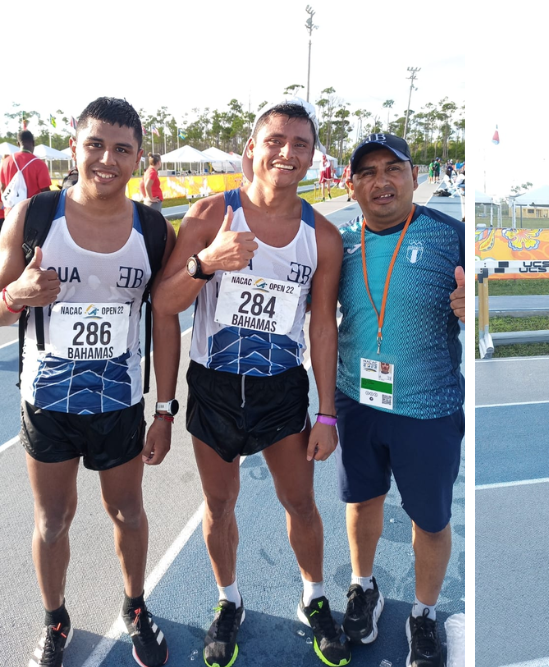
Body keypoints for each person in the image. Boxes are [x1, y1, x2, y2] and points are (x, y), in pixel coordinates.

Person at [151, 98, 350, 667]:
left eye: (301, 145)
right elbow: (165, 304)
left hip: (280, 389)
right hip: (213, 384)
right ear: (252, 149)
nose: (287, 153)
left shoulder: (324, 239)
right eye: (276, 141)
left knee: (300, 503)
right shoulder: (211, 216)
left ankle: (314, 596)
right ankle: (228, 599)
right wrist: (205, 263)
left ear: (313, 158)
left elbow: (322, 330)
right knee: (219, 502)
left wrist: (327, 413)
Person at [0, 97, 179, 667]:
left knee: (127, 512)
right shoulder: (33, 217)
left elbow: (167, 318)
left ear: (138, 158)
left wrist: (166, 409)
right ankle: (55, 620)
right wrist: (13, 298)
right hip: (46, 402)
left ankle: (134, 606)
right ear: (74, 148)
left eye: (122, 149)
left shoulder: (153, 229)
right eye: (95, 144)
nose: (107, 158)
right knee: (52, 520)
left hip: (119, 403)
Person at [337, 133, 464, 667]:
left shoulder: (451, 237)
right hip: (356, 401)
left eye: (393, 169)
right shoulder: (339, 243)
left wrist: (472, 309)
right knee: (361, 501)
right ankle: (363, 586)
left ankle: (423, 614)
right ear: (352, 185)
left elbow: (485, 301)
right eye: (367, 172)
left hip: (427, 410)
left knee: (430, 521)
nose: (381, 181)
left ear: (416, 177)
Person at [0, 130, 52, 227]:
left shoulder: (6, 162)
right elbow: (46, 192)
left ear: (18, 144)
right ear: (33, 143)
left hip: (10, 213)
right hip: (32, 214)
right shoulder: (39, 164)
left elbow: (3, 188)